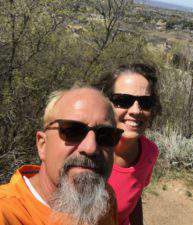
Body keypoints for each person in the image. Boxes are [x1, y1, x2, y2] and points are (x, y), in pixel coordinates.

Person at [0, 87, 123, 225]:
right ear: (42, 145)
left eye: (106, 135)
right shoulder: (6, 213)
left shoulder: (103, 197)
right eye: (73, 131)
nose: (90, 148)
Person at [95, 63, 162, 225]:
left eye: (145, 102)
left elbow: (134, 196)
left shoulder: (149, 152)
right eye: (123, 100)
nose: (136, 110)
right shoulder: (86, 151)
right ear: (105, 103)